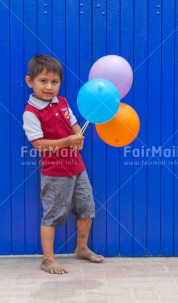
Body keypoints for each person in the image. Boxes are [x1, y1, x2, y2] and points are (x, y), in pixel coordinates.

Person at [23, 54, 104, 275]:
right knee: (52, 214)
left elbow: (74, 125)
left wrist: (78, 135)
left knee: (87, 208)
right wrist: (68, 141)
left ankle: (82, 248)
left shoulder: (64, 103)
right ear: (30, 82)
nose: (49, 87)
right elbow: (39, 145)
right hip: (55, 172)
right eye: (43, 81)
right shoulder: (31, 113)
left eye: (55, 82)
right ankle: (48, 259)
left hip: (78, 168)